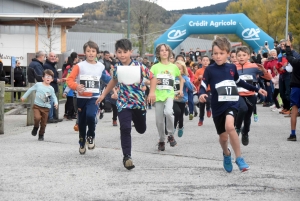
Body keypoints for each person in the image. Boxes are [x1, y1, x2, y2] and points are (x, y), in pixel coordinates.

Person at [199, 36, 267, 172]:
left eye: (221, 53)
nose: (218, 56)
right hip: (217, 106)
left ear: (228, 54)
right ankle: (226, 153)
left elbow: (239, 82)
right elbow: (203, 84)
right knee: (223, 138)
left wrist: (256, 89)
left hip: (231, 102)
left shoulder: (231, 68)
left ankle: (239, 158)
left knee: (230, 126)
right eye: (215, 53)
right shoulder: (209, 69)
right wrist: (201, 93)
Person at [96, 38, 156, 170]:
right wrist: (103, 95)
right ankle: (127, 157)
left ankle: (136, 120)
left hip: (139, 104)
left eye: (124, 52)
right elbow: (114, 81)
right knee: (125, 128)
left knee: (141, 129)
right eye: (119, 52)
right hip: (123, 103)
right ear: (116, 53)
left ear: (130, 52)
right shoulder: (117, 68)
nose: (122, 55)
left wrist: (152, 93)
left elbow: (153, 78)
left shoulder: (139, 66)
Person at [67, 40, 111, 155]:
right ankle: (82, 141)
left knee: (91, 116)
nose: (91, 53)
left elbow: (107, 79)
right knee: (81, 122)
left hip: (94, 97)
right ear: (84, 53)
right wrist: (76, 86)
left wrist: (116, 83)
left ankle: (90, 136)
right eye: (88, 51)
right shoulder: (79, 66)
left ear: (97, 53)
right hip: (81, 98)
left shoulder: (100, 66)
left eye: (93, 51)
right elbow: (69, 80)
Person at [234, 46, 271, 146]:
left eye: (244, 55)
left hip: (251, 95)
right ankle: (237, 128)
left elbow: (268, 77)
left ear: (248, 56)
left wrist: (263, 70)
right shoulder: (233, 67)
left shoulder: (254, 66)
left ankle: (245, 132)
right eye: (239, 55)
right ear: (236, 57)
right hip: (238, 95)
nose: (241, 57)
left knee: (247, 118)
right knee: (243, 108)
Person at [151, 44, 184, 152]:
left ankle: (170, 134)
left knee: (169, 112)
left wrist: (181, 90)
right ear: (158, 53)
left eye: (166, 50)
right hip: (158, 96)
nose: (164, 52)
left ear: (169, 52)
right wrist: (154, 82)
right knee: (159, 121)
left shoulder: (173, 67)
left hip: (169, 95)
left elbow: (181, 79)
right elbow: (147, 80)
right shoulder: (155, 67)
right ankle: (161, 140)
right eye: (162, 50)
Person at [21, 69, 58, 141]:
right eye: (46, 76)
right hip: (37, 106)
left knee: (44, 123)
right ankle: (36, 127)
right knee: (37, 118)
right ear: (43, 78)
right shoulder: (38, 85)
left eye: (50, 77)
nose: (48, 78)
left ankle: (41, 134)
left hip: (46, 108)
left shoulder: (51, 88)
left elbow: (54, 96)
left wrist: (56, 103)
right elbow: (30, 90)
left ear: (52, 79)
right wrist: (24, 97)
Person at [173, 60, 193, 137]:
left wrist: (186, 82)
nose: (178, 71)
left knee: (181, 115)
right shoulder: (172, 77)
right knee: (176, 112)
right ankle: (174, 126)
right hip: (174, 99)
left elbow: (191, 88)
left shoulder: (185, 78)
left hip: (182, 99)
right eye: (176, 69)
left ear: (183, 69)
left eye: (180, 69)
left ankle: (180, 127)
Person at [285, 38, 300, 141]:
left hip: (296, 86)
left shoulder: (297, 62)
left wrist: (288, 46)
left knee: (294, 110)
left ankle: (293, 134)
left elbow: (289, 56)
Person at [44, 52, 63, 123]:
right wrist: (56, 79)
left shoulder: (53, 65)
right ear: (48, 57)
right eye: (51, 56)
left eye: (54, 56)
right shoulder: (46, 66)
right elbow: (47, 76)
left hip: (54, 87)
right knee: (50, 102)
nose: (53, 57)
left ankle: (54, 116)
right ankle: (50, 117)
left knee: (54, 102)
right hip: (49, 87)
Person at [194, 55, 212, 126]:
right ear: (201, 61)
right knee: (201, 105)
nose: (205, 62)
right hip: (201, 89)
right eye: (204, 60)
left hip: (210, 89)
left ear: (209, 62)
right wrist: (198, 78)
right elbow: (195, 82)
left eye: (207, 60)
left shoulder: (211, 70)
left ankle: (208, 108)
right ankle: (201, 119)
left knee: (208, 99)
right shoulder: (198, 71)